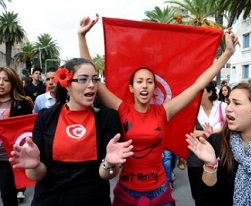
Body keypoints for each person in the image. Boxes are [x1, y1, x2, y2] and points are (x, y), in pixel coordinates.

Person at [78, 14, 239, 205]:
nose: (144, 86)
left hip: (160, 192)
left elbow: (198, 85)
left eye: (149, 82)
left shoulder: (164, 111)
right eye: (139, 82)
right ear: (132, 88)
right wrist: (82, 37)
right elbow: (94, 80)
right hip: (127, 193)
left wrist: (227, 53)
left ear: (155, 88)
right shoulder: (122, 108)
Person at [9, 58, 134, 206]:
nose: (91, 85)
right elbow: (37, 175)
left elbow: (107, 174)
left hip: (94, 200)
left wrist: (109, 163)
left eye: (95, 79)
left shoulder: (108, 118)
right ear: (68, 85)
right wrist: (34, 165)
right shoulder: (46, 117)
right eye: (83, 79)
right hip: (49, 201)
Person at [187, 81, 227, 206]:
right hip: (196, 158)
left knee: (218, 193)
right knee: (198, 194)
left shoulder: (223, 107)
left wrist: (214, 132)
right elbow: (188, 131)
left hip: (221, 156)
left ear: (210, 92)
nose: (197, 94)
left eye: (201, 91)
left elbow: (230, 128)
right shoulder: (193, 109)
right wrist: (205, 133)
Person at [0, 67, 33, 206]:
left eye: (5, 80)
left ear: (13, 83)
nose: (1, 83)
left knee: (8, 196)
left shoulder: (22, 104)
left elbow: (26, 131)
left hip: (7, 159)